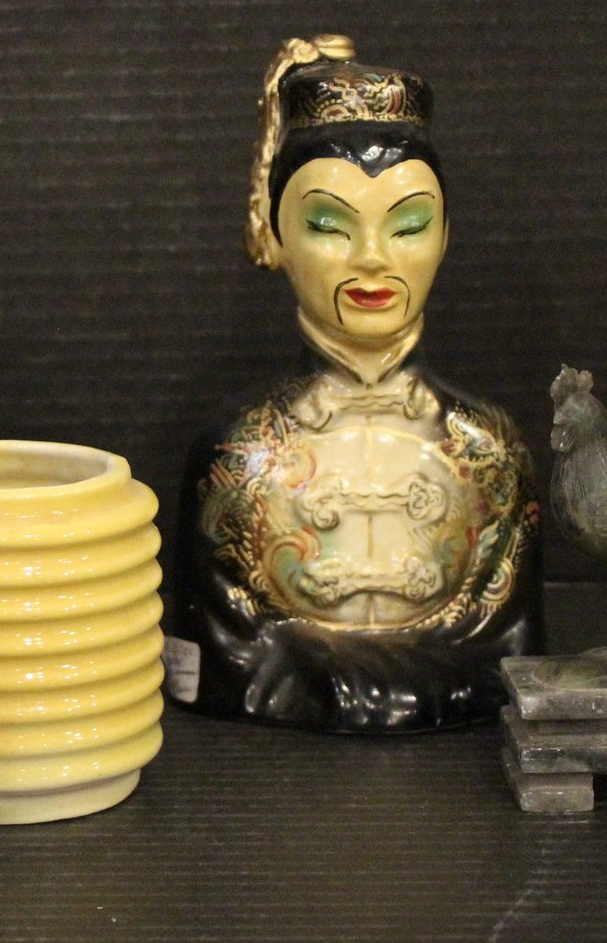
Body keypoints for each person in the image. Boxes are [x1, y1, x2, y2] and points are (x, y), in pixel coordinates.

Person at [171, 37, 542, 733]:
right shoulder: (238, 455)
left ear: (445, 234)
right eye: (328, 225)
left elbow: (509, 655)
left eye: (408, 225)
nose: (372, 258)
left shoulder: (491, 451)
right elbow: (223, 658)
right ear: (275, 234)